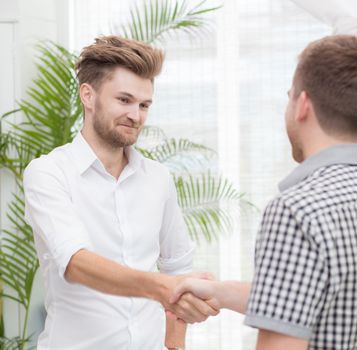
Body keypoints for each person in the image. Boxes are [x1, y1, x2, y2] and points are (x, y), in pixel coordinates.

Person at [171, 35, 357, 350]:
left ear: (303, 105)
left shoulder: (298, 211)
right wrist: (223, 292)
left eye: (289, 96)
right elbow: (336, 299)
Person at [23, 36, 217, 350]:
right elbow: (76, 263)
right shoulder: (48, 173)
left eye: (144, 105)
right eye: (124, 100)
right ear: (88, 95)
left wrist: (175, 345)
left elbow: (178, 267)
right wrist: (163, 287)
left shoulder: (159, 178)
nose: (136, 115)